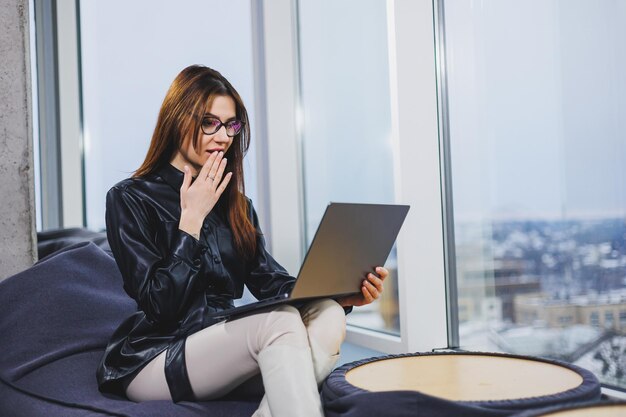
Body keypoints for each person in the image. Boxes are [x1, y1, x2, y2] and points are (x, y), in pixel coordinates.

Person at [96, 65, 388, 417]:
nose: (223, 136)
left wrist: (339, 294)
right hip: (156, 358)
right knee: (278, 323)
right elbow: (160, 306)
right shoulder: (129, 198)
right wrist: (191, 220)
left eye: (231, 125)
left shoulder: (237, 206)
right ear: (177, 119)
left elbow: (273, 284)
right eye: (209, 122)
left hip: (223, 353)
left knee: (327, 315)